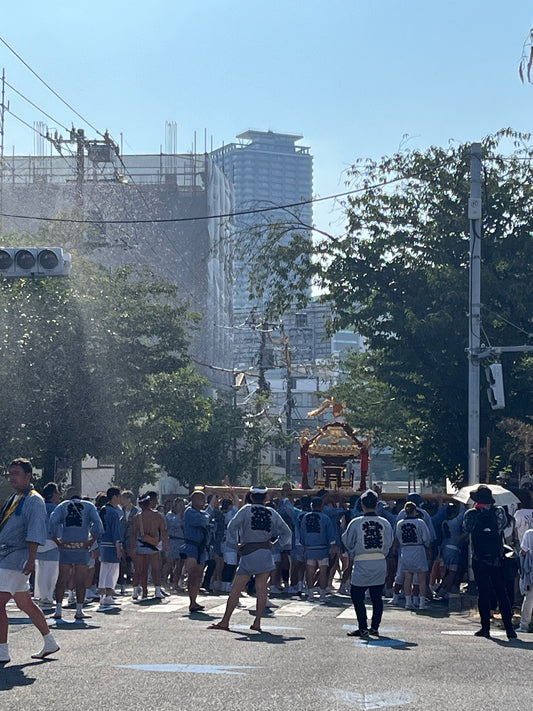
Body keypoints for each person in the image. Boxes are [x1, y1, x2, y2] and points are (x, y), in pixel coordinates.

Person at [208, 485, 292, 633]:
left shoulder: (246, 510)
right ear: (265, 498)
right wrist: (276, 544)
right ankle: (257, 621)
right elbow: (287, 532)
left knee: (236, 588)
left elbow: (232, 527)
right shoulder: (272, 512)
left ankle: (225, 620)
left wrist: (235, 545)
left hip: (248, 551)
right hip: (266, 551)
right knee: (262, 589)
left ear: (251, 497)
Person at [0, 458, 59, 662]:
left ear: (28, 476)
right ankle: (49, 641)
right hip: (8, 557)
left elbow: (35, 531)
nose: (12, 477)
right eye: (11, 473)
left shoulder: (34, 500)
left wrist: (31, 559)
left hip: (16, 559)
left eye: (17, 473)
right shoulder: (15, 497)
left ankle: (3, 650)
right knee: (25, 603)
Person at [462, 484, 516, 639]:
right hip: (496, 557)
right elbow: (502, 527)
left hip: (479, 558)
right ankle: (509, 629)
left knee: (483, 593)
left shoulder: (471, 513)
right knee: (502, 592)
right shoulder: (498, 511)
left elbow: (466, 528)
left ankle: (485, 627)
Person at [342, 489, 393, 638]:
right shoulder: (385, 523)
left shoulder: (356, 522)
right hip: (379, 561)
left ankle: (363, 627)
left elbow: (348, 541)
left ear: (362, 504)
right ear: (377, 504)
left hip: (362, 561)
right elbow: (389, 543)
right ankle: (375, 627)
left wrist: (353, 551)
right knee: (376, 596)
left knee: (357, 595)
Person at [50, 487, 104, 620]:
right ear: (80, 496)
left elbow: (52, 520)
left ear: (68, 497)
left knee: (62, 579)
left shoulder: (63, 506)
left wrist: (56, 539)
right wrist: (93, 540)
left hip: (66, 545)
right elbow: (97, 522)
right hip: (82, 546)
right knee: (81, 580)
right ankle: (79, 610)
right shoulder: (89, 506)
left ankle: (58, 610)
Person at [180, 490, 215, 612]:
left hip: (202, 548)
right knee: (192, 574)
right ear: (193, 500)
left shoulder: (202, 513)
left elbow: (210, 522)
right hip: (192, 546)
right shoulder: (189, 512)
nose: (203, 501)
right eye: (200, 499)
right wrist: (207, 515)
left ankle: (195, 600)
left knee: (199, 575)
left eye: (204, 499)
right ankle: (191, 601)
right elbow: (204, 520)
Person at [131, 492, 168, 600]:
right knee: (156, 568)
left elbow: (133, 533)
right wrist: (165, 544)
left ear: (141, 505)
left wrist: (132, 547)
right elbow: (163, 531)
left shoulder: (138, 517)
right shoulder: (158, 516)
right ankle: (157, 590)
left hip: (141, 543)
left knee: (140, 569)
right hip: (154, 543)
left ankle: (138, 591)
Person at [394, 501, 431, 609]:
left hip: (405, 550)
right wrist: (427, 546)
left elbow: (398, 537)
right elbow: (426, 538)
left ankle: (408, 602)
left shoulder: (399, 523)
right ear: (415, 511)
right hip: (418, 549)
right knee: (421, 578)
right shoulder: (420, 522)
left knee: (407, 577)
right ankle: (422, 603)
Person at [299, 497, 337, 603]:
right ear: (321, 506)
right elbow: (330, 534)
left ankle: (310, 594)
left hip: (309, 548)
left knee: (309, 572)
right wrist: (333, 547)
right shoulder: (325, 518)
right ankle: (322, 594)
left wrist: (304, 545)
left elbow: (302, 533)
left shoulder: (305, 517)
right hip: (322, 548)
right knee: (323, 572)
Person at [34, 481, 61, 608]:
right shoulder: (56, 509)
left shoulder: (39, 506)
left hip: (39, 542)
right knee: (52, 572)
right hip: (52, 542)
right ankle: (48, 597)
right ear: (53, 494)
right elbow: (57, 527)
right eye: (57, 492)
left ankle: (42, 595)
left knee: (41, 571)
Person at [97, 487, 123, 607]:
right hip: (112, 545)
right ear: (114, 497)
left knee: (103, 571)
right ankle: (108, 595)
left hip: (102, 544)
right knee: (112, 572)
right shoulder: (114, 513)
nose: (120, 499)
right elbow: (116, 533)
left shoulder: (102, 510)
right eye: (119, 496)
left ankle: (102, 595)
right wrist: (119, 548)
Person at [518, 519, 533, 633]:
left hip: (531, 571)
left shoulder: (529, 534)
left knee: (529, 600)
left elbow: (523, 551)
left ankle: (524, 626)